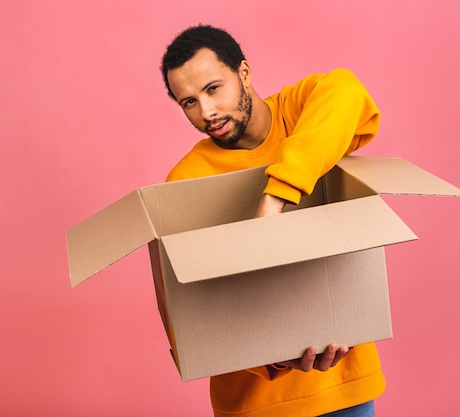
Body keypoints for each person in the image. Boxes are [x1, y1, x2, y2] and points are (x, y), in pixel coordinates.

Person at [160, 25, 384, 417]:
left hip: (345, 391)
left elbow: (347, 89)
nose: (206, 112)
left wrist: (275, 197)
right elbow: (190, 313)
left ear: (244, 73)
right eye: (189, 102)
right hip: (254, 403)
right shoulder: (186, 181)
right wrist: (275, 358)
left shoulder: (298, 114)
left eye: (214, 89)